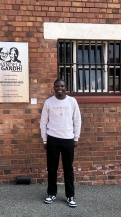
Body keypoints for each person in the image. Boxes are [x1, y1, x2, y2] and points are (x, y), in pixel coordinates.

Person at [40, 78, 82, 208]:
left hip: (68, 139)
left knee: (68, 169)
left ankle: (70, 196)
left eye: (62, 86)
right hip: (52, 138)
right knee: (52, 169)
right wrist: (45, 139)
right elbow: (43, 122)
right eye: (57, 86)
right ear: (54, 88)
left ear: (65, 87)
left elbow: (77, 120)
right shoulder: (49, 102)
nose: (60, 88)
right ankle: (51, 193)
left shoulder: (72, 101)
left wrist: (76, 138)